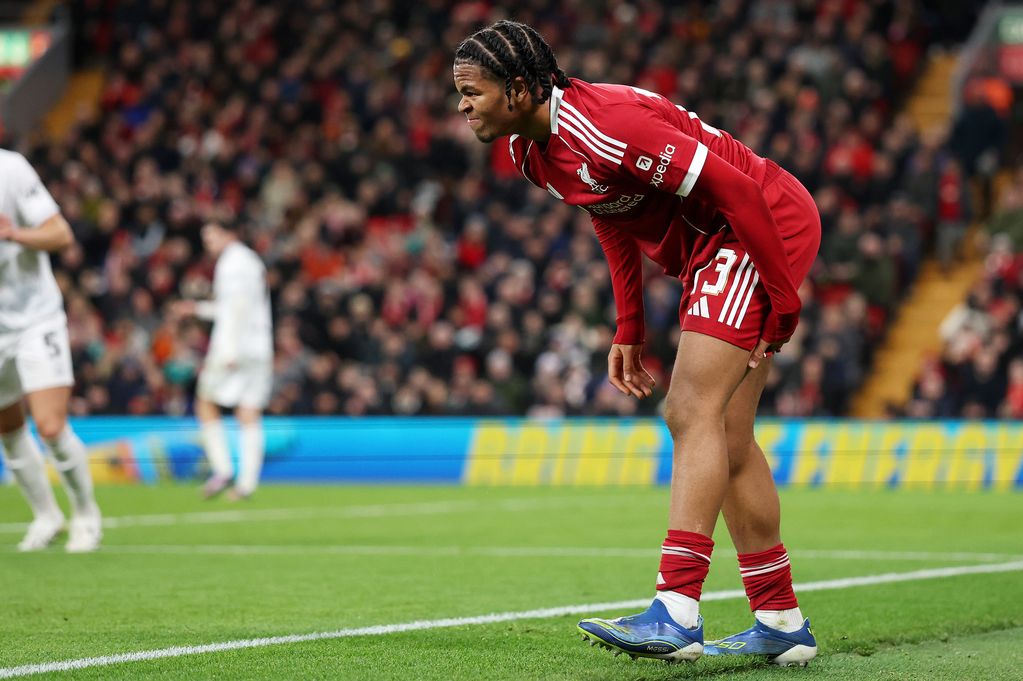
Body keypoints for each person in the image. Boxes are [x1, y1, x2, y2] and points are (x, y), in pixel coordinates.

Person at [453, 21, 821, 665]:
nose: (461, 104)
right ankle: (781, 619)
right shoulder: (530, 151)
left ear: (516, 90)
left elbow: (737, 189)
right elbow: (608, 211)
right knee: (728, 433)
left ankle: (676, 609)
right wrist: (629, 324)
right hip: (714, 244)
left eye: (471, 91)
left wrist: (783, 300)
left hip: (759, 225)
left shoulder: (605, 124)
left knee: (688, 411)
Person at [0, 149, 102, 552]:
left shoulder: (10, 168)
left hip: (34, 318)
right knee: (7, 428)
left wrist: (13, 234)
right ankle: (46, 515)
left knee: (50, 426)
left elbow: (60, 234)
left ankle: (86, 514)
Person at [174, 222, 273, 500]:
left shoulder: (230, 263)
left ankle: (223, 469)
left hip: (234, 346)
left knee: (205, 403)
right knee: (249, 412)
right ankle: (247, 484)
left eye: (212, 236)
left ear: (230, 232)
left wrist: (229, 350)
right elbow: (238, 306)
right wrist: (196, 308)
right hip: (260, 346)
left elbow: (236, 309)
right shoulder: (252, 260)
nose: (208, 243)